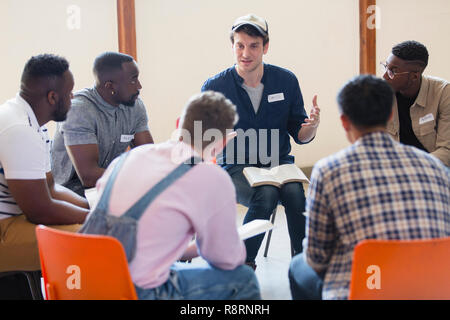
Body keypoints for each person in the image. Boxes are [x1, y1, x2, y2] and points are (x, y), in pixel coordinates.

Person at [289, 75, 450, 300]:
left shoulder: (329, 170)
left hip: (367, 290)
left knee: (298, 265)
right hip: (431, 289)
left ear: (344, 121)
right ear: (390, 114)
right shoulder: (435, 167)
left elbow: (317, 258)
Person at [93, 90, 261, 300]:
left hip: (86, 279)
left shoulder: (131, 156)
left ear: (180, 124)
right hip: (133, 292)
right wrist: (228, 240)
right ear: (224, 142)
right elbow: (225, 260)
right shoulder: (212, 177)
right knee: (243, 279)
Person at [201, 14, 320, 269]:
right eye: (240, 45)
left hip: (278, 164)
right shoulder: (215, 86)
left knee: (295, 194)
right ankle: (242, 264)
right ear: (232, 46)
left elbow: (300, 135)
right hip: (235, 167)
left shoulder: (286, 80)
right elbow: (203, 141)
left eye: (253, 46)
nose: (246, 53)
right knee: (265, 194)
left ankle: (304, 264)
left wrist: (311, 127)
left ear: (265, 47)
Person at [0, 54, 89, 272]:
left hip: (16, 218)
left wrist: (93, 207)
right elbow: (40, 210)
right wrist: (98, 219)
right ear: (52, 97)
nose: (73, 96)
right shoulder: (19, 128)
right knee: (98, 241)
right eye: (69, 93)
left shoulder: (32, 123)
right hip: (5, 228)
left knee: (98, 228)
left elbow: (50, 188)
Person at [51, 52, 154, 197]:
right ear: (110, 86)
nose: (139, 86)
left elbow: (149, 156)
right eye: (133, 80)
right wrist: (137, 182)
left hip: (110, 185)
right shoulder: (78, 110)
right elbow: (89, 177)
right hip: (72, 191)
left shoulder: (135, 106)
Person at [381, 40, 449, 166]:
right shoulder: (381, 94)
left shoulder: (444, 93)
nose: (384, 76)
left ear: (414, 76)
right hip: (394, 170)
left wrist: (411, 167)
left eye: (393, 71)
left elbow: (446, 151)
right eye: (385, 66)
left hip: (434, 170)